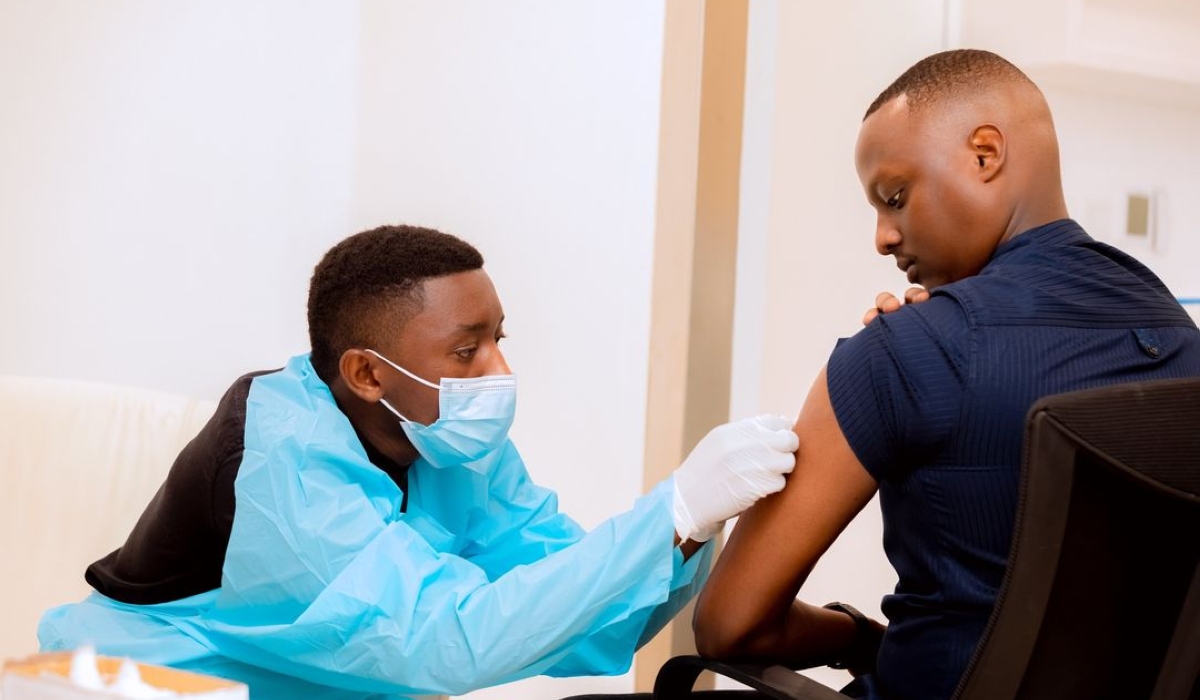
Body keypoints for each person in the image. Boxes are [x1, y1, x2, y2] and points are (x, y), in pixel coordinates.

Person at [38, 225, 801, 699]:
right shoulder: (283, 461)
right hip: (144, 684)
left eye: (501, 338)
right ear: (367, 373)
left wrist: (692, 531)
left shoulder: (453, 443)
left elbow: (574, 610)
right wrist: (669, 510)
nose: (498, 371)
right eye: (467, 350)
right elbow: (439, 644)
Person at [691, 49, 1200, 700]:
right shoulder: (1184, 345)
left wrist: (858, 639)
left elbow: (732, 625)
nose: (881, 237)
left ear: (986, 155)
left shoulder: (904, 351)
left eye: (895, 197)